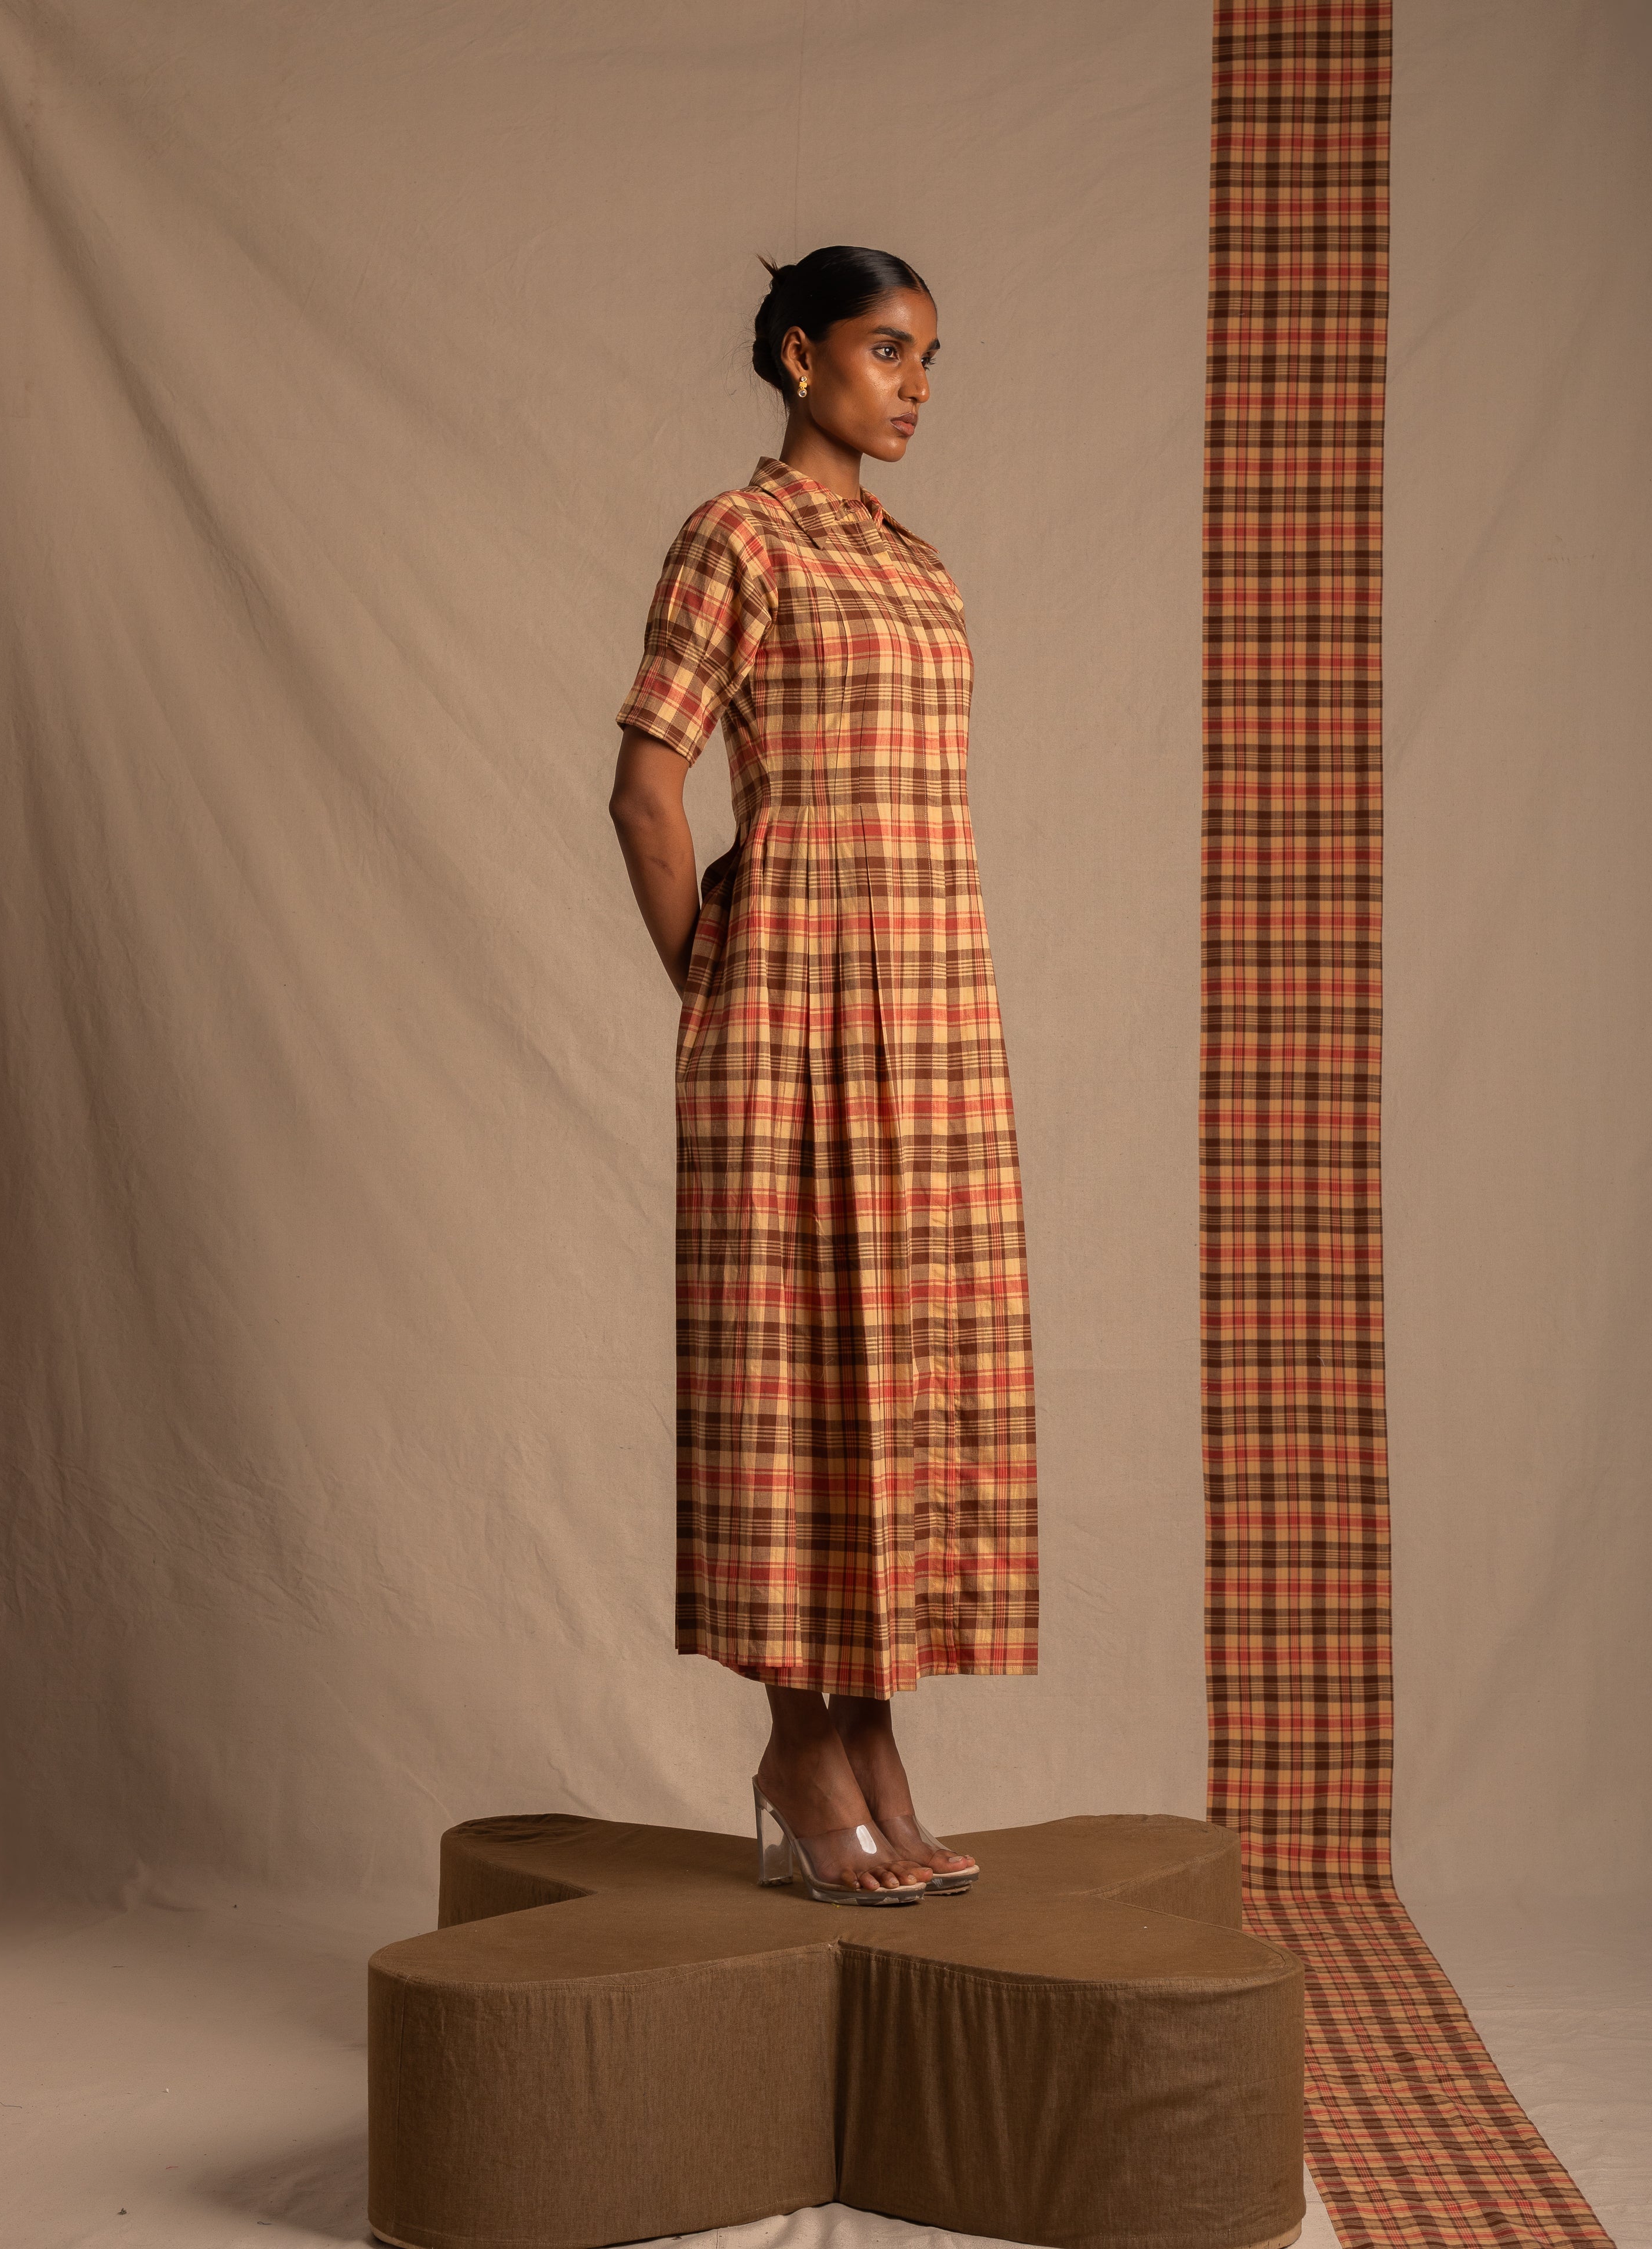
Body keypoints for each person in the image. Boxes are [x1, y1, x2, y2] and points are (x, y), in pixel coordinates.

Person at [608, 247, 1037, 1906]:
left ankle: (870, 1739)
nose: (914, 382)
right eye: (884, 348)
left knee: (903, 1378)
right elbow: (649, 790)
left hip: (932, 1030)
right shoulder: (740, 536)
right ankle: (803, 1749)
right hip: (793, 1021)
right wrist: (715, 996)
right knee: (800, 1384)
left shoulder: (914, 566)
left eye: (930, 356)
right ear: (799, 358)